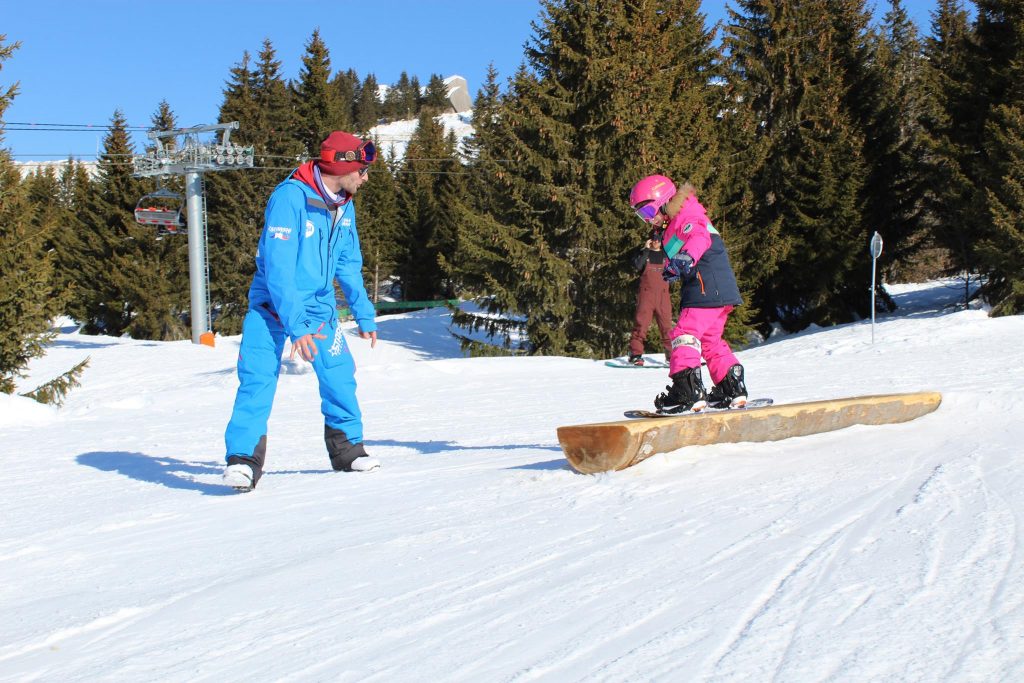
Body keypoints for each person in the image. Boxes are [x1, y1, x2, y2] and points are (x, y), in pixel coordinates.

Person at [222, 131, 380, 491]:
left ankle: (347, 450)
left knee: (339, 373)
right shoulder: (289, 199)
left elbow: (347, 262)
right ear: (342, 165)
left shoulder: (344, 202)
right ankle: (243, 461)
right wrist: (295, 326)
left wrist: (363, 312)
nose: (365, 177)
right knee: (258, 376)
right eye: (362, 169)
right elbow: (279, 270)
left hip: (319, 309)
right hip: (272, 309)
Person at [628, 175, 748, 413]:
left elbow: (699, 237)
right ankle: (731, 387)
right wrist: (674, 266)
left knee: (684, 334)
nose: (649, 219)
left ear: (664, 201)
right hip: (716, 288)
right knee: (710, 340)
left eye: (650, 211)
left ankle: (687, 391)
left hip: (704, 285)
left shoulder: (686, 215)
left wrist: (686, 257)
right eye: (643, 216)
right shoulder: (672, 224)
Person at [626, 227, 674, 365]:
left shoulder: (667, 256)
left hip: (663, 296)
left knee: (666, 326)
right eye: (653, 239)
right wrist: (645, 249)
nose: (655, 242)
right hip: (646, 295)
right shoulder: (644, 254)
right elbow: (637, 266)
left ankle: (671, 356)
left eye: (658, 239)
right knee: (641, 324)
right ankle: (635, 354)